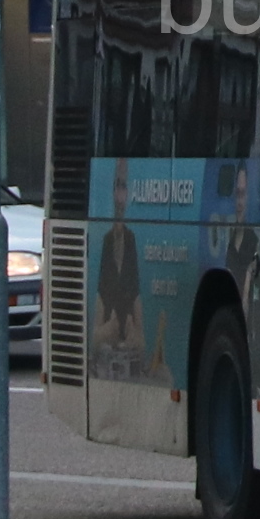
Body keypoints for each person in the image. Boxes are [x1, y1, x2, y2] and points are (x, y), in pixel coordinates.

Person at [91, 158, 146, 381]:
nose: (120, 196)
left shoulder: (131, 241)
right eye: (117, 186)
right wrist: (108, 331)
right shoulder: (106, 241)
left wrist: (133, 337)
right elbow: (94, 337)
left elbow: (141, 340)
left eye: (124, 187)